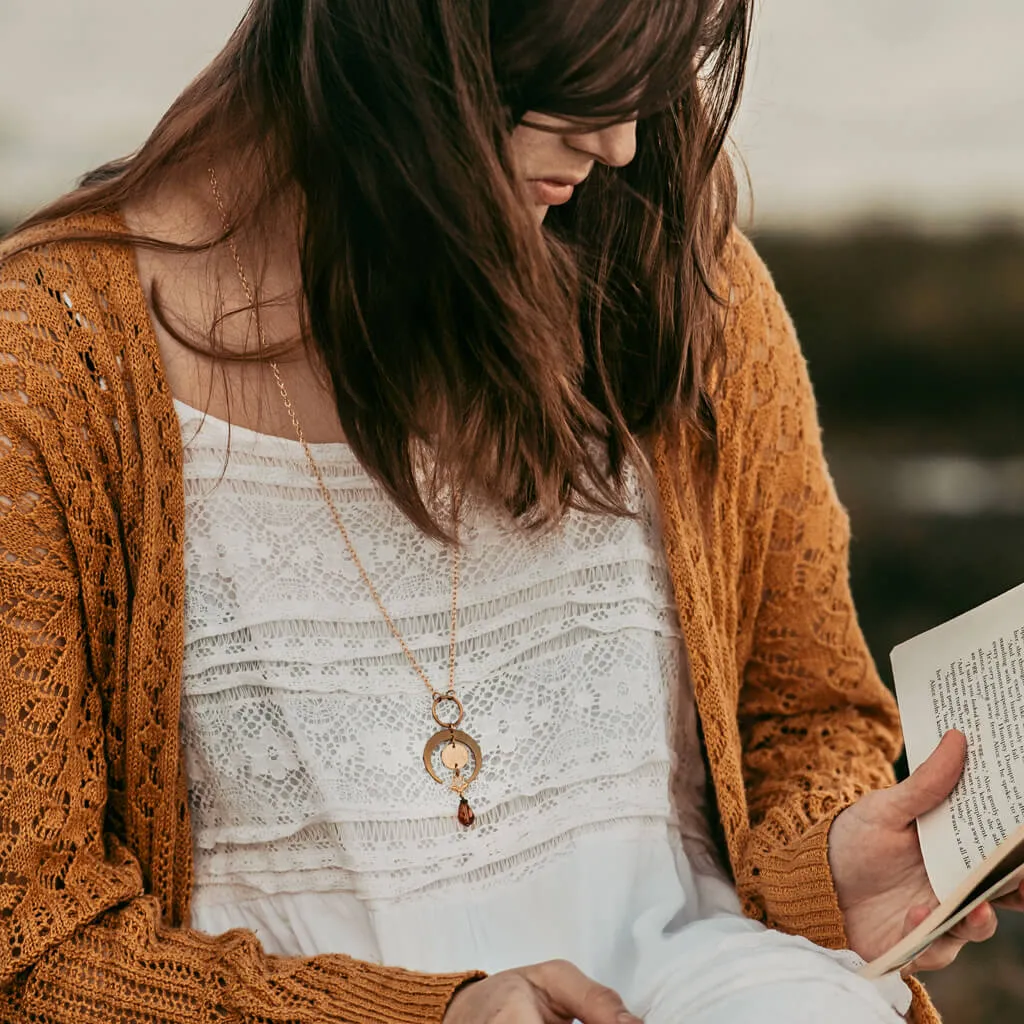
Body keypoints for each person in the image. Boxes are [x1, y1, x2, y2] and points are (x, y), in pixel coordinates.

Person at [0, 1, 1010, 1022]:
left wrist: (827, 865)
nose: (616, 142)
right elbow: (31, 945)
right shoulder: (52, 366)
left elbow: (805, 710)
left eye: (650, 67)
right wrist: (433, 1015)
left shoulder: (676, 282)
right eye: (581, 68)